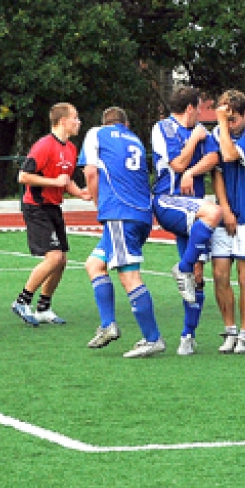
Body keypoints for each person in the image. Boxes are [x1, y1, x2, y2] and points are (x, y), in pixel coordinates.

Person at [81, 107, 164, 358]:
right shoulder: (135, 140)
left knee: (129, 276)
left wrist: (98, 203)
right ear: (125, 124)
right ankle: (108, 325)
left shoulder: (97, 133)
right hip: (140, 213)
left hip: (120, 213)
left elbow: (90, 171)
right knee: (94, 264)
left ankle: (153, 338)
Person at [150, 86, 222, 355]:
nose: (202, 114)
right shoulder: (163, 128)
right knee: (214, 212)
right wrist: (193, 141)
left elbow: (214, 157)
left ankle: (187, 336)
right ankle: (181, 267)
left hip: (193, 208)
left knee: (198, 276)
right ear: (191, 108)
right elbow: (177, 165)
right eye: (200, 108)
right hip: (169, 199)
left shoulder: (202, 129)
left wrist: (193, 170)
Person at [13, 103, 90, 326]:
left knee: (62, 260)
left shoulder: (71, 149)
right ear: (63, 121)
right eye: (75, 118)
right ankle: (22, 300)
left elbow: (66, 180)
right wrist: (53, 182)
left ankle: (43, 307)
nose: (78, 122)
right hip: (36, 207)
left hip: (53, 207)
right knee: (54, 257)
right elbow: (24, 177)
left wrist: (81, 193)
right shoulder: (44, 146)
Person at [207, 90, 245, 354]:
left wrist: (222, 125)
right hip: (226, 213)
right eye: (225, 118)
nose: (229, 124)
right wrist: (224, 209)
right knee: (219, 273)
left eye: (233, 119)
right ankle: (229, 331)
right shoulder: (216, 134)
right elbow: (217, 172)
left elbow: (231, 155)